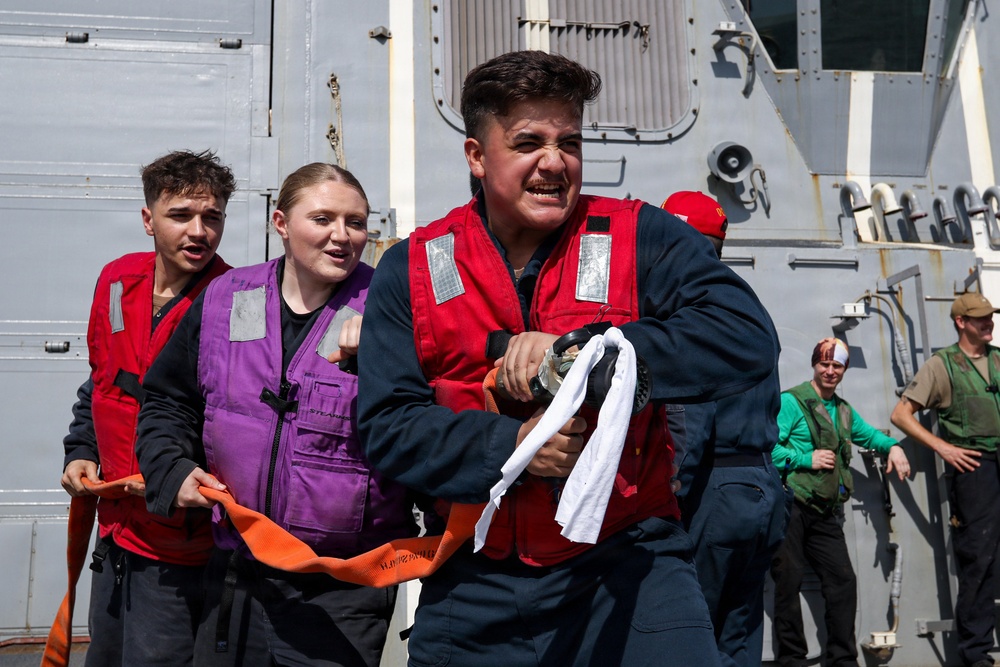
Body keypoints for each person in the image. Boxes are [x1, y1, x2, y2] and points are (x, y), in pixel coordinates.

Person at [358, 50, 778, 666]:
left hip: (630, 569)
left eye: (570, 142)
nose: (554, 162)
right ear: (477, 156)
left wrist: (589, 353)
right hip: (474, 581)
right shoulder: (412, 268)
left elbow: (745, 337)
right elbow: (387, 426)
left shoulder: (642, 236)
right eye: (528, 142)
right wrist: (515, 448)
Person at [135, 163, 417, 667]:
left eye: (355, 222)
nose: (342, 236)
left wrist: (383, 354)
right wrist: (170, 468)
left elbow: (426, 426)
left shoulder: (392, 312)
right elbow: (167, 399)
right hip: (235, 572)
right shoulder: (225, 298)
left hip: (340, 590)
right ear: (281, 223)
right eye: (323, 219)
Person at [59, 150, 235, 666]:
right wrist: (82, 448)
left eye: (212, 217)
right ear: (148, 219)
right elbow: (102, 381)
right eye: (180, 215)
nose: (199, 231)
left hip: (182, 547)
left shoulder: (234, 300)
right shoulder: (117, 280)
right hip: (114, 531)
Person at [662, 191, 789, 667]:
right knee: (738, 636)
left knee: (690, 631)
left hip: (712, 491)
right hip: (763, 487)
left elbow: (689, 420)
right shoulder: (747, 307)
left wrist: (668, 499)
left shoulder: (688, 309)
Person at [770, 337, 911, 667]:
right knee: (787, 581)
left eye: (837, 366)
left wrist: (893, 447)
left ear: (845, 369)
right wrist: (805, 459)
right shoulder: (791, 402)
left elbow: (869, 435)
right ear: (814, 365)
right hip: (791, 505)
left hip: (824, 511)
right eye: (824, 364)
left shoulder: (843, 410)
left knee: (843, 582)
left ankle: (843, 660)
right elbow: (768, 448)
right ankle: (792, 660)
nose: (830, 371)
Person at [890, 292, 1000, 667]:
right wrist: (943, 447)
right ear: (961, 322)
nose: (988, 322)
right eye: (980, 317)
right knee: (979, 560)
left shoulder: (998, 359)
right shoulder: (942, 365)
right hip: (975, 468)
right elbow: (901, 414)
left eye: (989, 316)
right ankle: (976, 655)